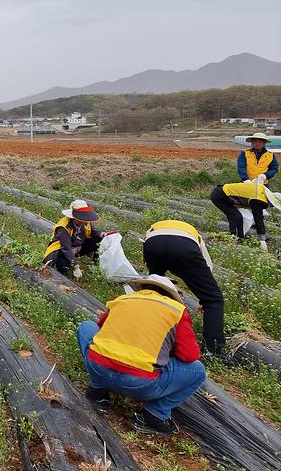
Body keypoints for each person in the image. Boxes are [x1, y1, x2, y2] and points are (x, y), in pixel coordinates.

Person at [76, 275, 206, 435]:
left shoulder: (123, 299)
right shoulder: (176, 311)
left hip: (98, 369)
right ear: (171, 295)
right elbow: (189, 355)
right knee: (198, 371)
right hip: (139, 384)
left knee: (86, 326)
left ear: (143, 288)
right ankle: (154, 415)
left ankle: (98, 391)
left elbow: (101, 328)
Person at [143, 219, 225, 354]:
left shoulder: (157, 226)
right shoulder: (196, 238)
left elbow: (148, 260)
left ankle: (151, 330)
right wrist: (204, 300)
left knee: (155, 289)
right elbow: (206, 269)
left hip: (153, 242)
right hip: (184, 246)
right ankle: (213, 350)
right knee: (213, 299)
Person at [42, 199, 103, 279]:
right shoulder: (63, 227)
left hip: (78, 247)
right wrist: (76, 266)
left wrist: (102, 234)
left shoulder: (85, 222)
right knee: (63, 265)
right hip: (62, 251)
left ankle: (96, 264)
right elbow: (66, 248)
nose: (83, 221)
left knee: (98, 239)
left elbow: (93, 232)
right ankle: (65, 269)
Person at [210, 181, 272, 250]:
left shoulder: (262, 191)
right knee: (236, 217)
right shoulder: (258, 200)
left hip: (228, 195)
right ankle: (234, 241)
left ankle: (239, 239)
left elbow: (258, 215)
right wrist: (262, 240)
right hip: (220, 196)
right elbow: (258, 218)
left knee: (240, 217)